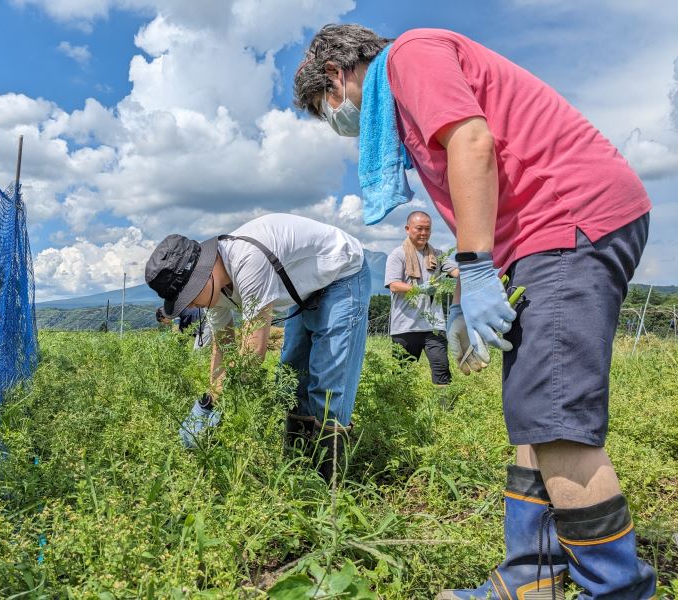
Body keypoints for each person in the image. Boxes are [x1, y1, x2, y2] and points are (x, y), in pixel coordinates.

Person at [294, 24, 654, 598]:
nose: (339, 121)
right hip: (540, 237)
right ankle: (530, 578)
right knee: (532, 411)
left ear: (335, 75)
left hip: (566, 220)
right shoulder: (409, 97)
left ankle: (616, 589)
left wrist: (480, 267)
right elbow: (469, 196)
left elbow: (472, 144)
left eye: (327, 108)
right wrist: (465, 296)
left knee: (555, 415)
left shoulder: (410, 56)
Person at [145, 213, 370, 481]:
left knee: (327, 380)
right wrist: (210, 402)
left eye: (188, 298)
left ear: (202, 276)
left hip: (342, 273)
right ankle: (298, 467)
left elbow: (252, 354)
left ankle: (327, 483)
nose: (190, 307)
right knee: (290, 378)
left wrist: (229, 412)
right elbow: (224, 347)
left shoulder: (246, 261)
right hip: (305, 289)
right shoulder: (216, 291)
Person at [385, 211, 458, 386]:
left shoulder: (438, 255)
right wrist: (420, 289)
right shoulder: (398, 254)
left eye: (428, 229)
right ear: (408, 229)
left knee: (442, 370)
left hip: (434, 325)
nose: (424, 233)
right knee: (401, 376)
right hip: (405, 326)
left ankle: (443, 411)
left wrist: (475, 270)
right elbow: (393, 284)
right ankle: (401, 411)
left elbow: (456, 272)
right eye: (419, 228)